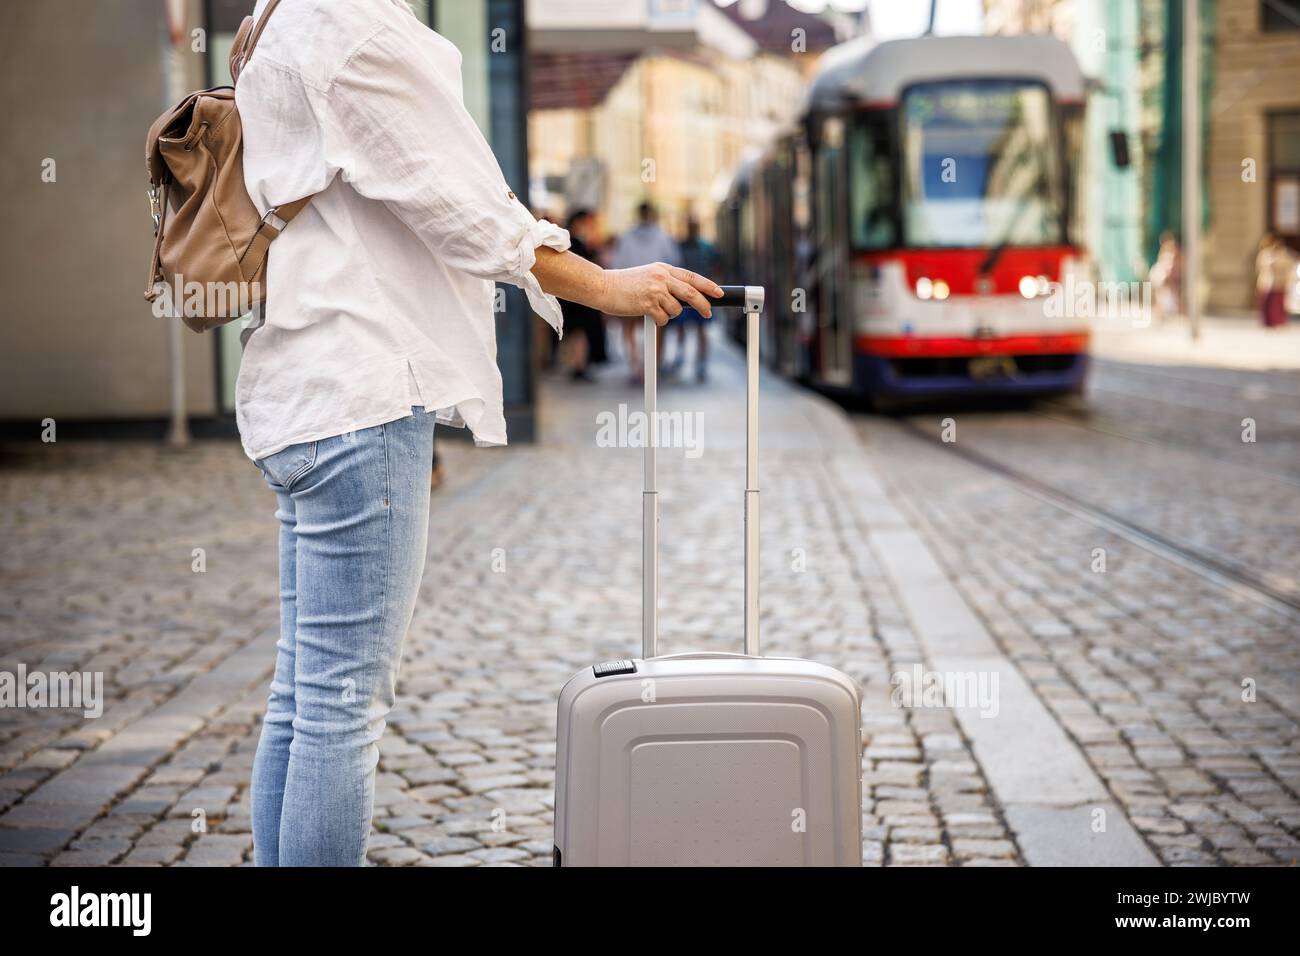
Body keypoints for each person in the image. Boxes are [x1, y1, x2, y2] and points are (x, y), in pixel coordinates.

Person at [235, 0, 720, 867]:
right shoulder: (359, 29)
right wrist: (606, 288)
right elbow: (467, 209)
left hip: (301, 393)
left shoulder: (279, 18)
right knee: (342, 708)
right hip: (363, 391)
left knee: (305, 697)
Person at [610, 201, 681, 383]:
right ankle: (652, 368)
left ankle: (635, 365)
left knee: (630, 328)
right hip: (657, 290)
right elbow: (674, 260)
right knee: (658, 329)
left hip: (630, 289)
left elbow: (617, 264)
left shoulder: (627, 237)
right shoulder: (663, 236)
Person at [669, 216, 719, 382]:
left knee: (702, 329)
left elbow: (715, 268)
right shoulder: (679, 246)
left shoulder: (706, 247)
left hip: (703, 294)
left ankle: (701, 363)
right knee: (681, 328)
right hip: (683, 294)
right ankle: (681, 356)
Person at [559, 209, 602, 382]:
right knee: (579, 332)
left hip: (570, 296)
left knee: (575, 332)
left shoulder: (568, 240)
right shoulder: (575, 242)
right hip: (578, 298)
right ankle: (578, 366)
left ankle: (576, 364)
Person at [1256, 233, 1294, 329]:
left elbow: (1288, 265)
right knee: (1267, 303)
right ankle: (1268, 322)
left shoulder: (1283, 253)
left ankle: (1279, 321)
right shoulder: (1265, 253)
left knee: (1278, 303)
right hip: (1267, 282)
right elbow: (1261, 266)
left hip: (1279, 282)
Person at [1149, 230, 1182, 324]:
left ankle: (1164, 312)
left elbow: (1175, 267)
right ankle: (1160, 313)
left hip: (1171, 279)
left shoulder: (1176, 253)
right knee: (1163, 295)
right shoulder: (1164, 253)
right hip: (1165, 280)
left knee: (1166, 295)